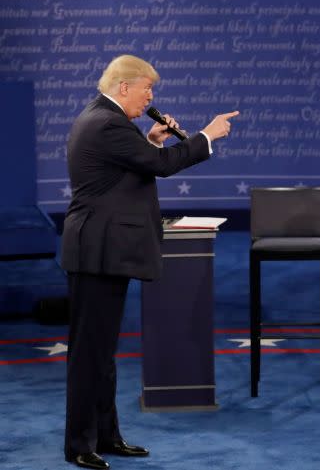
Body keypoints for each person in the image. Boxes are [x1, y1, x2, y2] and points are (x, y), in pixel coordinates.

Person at [61, 54, 239, 469]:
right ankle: (79, 445)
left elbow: (126, 170)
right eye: (147, 89)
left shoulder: (105, 118)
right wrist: (206, 136)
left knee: (102, 352)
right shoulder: (108, 123)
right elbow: (159, 167)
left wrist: (153, 139)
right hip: (96, 252)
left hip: (102, 250)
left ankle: (105, 436)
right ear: (125, 87)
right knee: (89, 353)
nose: (150, 97)